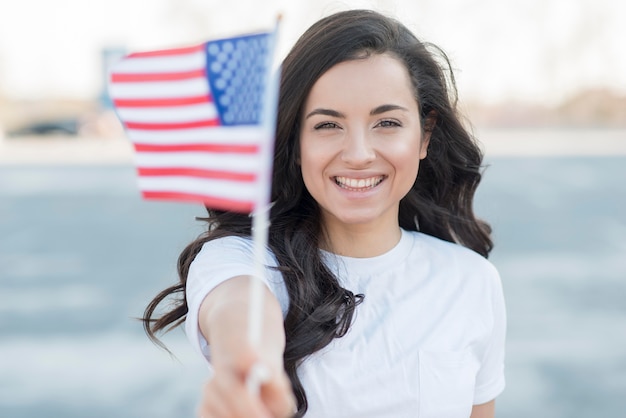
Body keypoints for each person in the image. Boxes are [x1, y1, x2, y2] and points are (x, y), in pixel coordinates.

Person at [143, 8, 506, 418]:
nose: (357, 154)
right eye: (327, 125)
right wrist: (246, 366)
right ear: (295, 142)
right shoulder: (242, 260)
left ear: (425, 134)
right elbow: (239, 312)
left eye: (386, 122)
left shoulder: (472, 282)